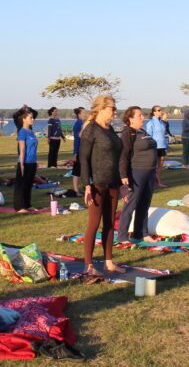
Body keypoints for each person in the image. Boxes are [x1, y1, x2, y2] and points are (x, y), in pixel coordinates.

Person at [79, 95, 123, 276]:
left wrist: (122, 183)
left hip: (112, 182)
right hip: (97, 183)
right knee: (94, 223)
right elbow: (83, 158)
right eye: (112, 108)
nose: (115, 112)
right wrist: (86, 184)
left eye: (115, 108)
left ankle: (108, 262)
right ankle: (88, 265)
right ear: (101, 109)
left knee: (110, 223)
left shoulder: (110, 129)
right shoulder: (91, 129)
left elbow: (117, 157)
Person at [118, 106, 157, 243]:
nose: (143, 117)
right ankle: (122, 236)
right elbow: (123, 155)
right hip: (137, 172)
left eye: (142, 115)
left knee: (144, 204)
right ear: (130, 119)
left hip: (150, 172)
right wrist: (123, 176)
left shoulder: (143, 131)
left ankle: (141, 233)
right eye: (139, 115)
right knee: (131, 204)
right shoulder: (128, 132)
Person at [12, 106, 39, 212]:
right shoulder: (22, 132)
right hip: (25, 162)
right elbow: (22, 149)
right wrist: (22, 164)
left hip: (32, 162)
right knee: (21, 185)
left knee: (28, 184)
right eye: (31, 118)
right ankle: (19, 207)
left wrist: (35, 162)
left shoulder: (31, 131)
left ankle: (27, 205)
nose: (33, 119)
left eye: (33, 117)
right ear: (24, 119)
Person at [144, 105, 169, 188]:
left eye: (160, 110)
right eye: (158, 110)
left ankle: (158, 182)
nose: (160, 111)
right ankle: (151, 182)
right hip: (155, 146)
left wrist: (167, 146)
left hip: (162, 146)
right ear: (154, 112)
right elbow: (148, 136)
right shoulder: (150, 123)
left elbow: (164, 135)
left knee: (160, 165)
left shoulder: (162, 122)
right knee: (153, 165)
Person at [71, 107, 85, 193]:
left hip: (85, 150)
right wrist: (75, 153)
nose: (85, 114)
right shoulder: (78, 124)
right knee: (77, 171)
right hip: (79, 150)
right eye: (83, 112)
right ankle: (76, 190)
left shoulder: (84, 123)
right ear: (79, 114)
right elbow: (77, 139)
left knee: (84, 170)